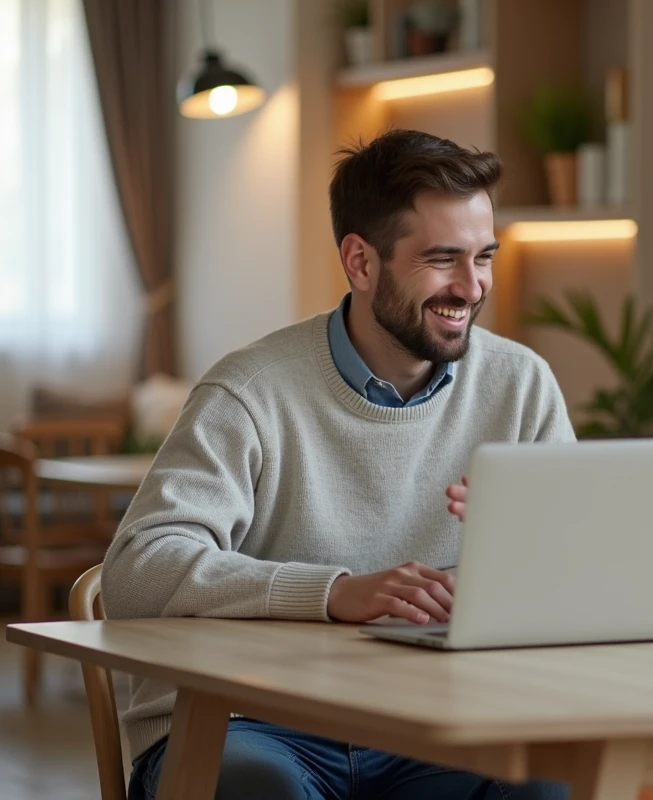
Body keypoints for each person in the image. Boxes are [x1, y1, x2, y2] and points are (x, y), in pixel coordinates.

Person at [103, 129, 574, 800]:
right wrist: (332, 592)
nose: (472, 287)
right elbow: (135, 572)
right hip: (250, 723)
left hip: (440, 722)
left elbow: (576, 576)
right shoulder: (250, 391)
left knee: (553, 784)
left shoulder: (520, 385)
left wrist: (533, 549)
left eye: (484, 258)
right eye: (443, 259)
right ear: (360, 262)